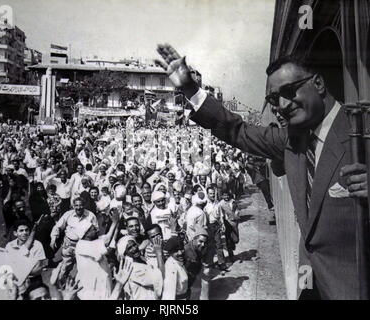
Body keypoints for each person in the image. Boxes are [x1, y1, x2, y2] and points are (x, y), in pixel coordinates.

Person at [156, 45, 368, 299]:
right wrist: (190, 89)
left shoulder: (361, 129)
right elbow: (237, 130)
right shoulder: (291, 139)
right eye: (274, 99)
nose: (282, 105)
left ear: (319, 84)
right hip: (311, 283)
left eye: (289, 92)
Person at [50, 197, 99, 285]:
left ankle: (81, 287)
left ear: (84, 205)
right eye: (76, 205)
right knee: (65, 266)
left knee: (84, 266)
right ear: (73, 206)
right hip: (69, 245)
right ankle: (61, 285)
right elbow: (57, 227)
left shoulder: (91, 215)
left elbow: (96, 231)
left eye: (81, 205)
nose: (79, 207)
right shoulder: (68, 214)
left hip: (84, 245)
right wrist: (53, 239)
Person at [161, 236, 189, 300]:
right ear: (170, 252)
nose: (180, 253)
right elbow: (169, 294)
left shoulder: (178, 261)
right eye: (176, 250)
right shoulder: (171, 267)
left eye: (181, 249)